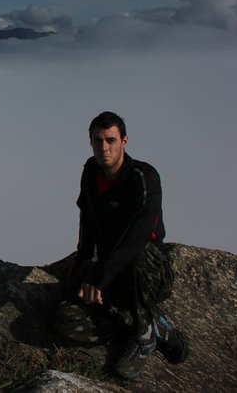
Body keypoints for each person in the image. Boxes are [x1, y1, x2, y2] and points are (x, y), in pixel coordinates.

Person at [55, 111, 188, 380]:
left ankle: (144, 336)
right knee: (64, 318)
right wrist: (84, 264)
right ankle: (146, 324)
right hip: (110, 272)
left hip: (146, 272)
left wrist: (100, 277)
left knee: (137, 257)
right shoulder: (91, 173)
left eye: (111, 140)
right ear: (90, 142)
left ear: (124, 141)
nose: (104, 148)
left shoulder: (144, 177)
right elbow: (87, 218)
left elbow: (139, 236)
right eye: (98, 141)